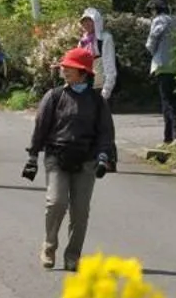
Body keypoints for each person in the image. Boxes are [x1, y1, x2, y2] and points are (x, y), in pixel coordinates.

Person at [22, 44, 117, 271]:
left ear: (83, 73)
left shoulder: (97, 102)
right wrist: (33, 156)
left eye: (69, 68)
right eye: (63, 67)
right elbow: (41, 128)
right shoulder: (54, 96)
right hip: (57, 157)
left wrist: (104, 156)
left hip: (87, 160)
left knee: (80, 211)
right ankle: (49, 245)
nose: (64, 70)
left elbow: (106, 132)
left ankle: (73, 255)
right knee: (56, 202)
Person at [145, 0, 176, 143]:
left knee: (167, 102)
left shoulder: (159, 21)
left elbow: (152, 41)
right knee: (173, 100)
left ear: (156, 9)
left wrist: (152, 50)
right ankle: (169, 137)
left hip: (162, 64)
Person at [77, 7, 118, 102]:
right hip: (85, 84)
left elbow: (109, 63)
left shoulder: (105, 39)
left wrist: (107, 89)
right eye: (84, 21)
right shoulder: (83, 41)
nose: (86, 24)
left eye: (89, 21)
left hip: (100, 84)